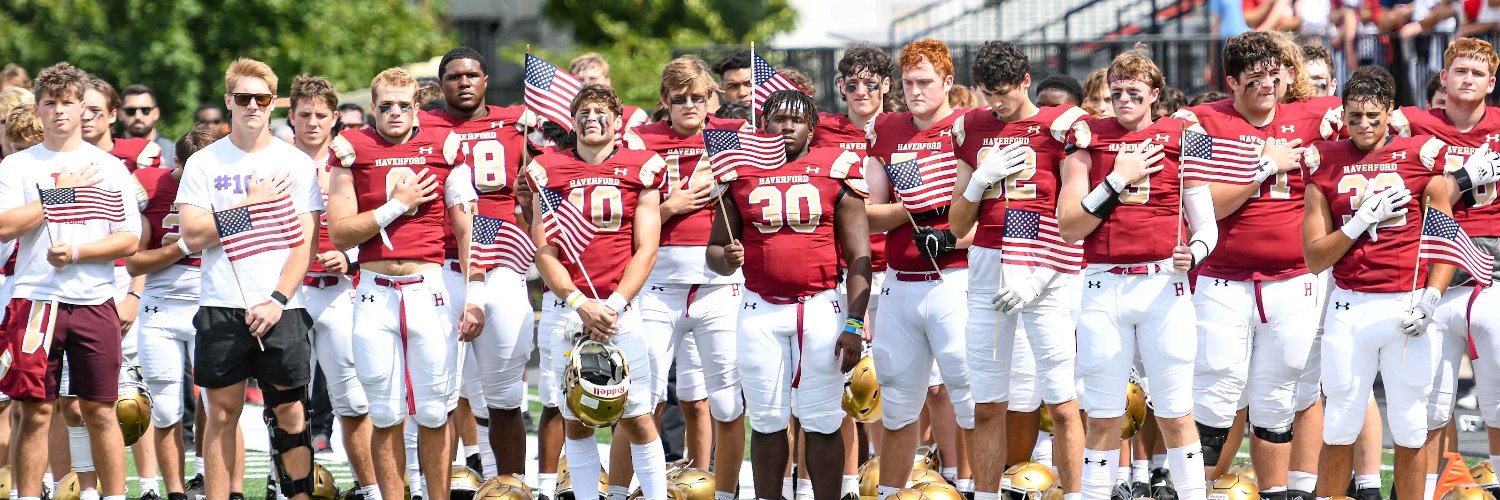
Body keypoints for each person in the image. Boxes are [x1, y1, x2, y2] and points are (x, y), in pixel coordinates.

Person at [1173, 31, 1337, 494]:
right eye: (1254, 77)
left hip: (1294, 280)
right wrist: (1261, 168)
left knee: (1277, 398)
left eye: (1272, 74)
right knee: (1214, 392)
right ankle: (1193, 490)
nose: (1266, 85)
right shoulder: (1202, 123)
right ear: (1231, 82)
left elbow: (1385, 120)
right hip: (1224, 280)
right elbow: (1204, 206)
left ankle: (1276, 492)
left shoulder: (1315, 114)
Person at [1056, 47, 1216, 500]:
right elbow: (1069, 227)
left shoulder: (1181, 136)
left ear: (1155, 94)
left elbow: (1207, 227)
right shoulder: (1088, 138)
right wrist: (1115, 180)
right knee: (1103, 413)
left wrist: (1194, 253)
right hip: (1103, 284)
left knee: (1176, 410)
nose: (1123, 100)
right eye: (1116, 92)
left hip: (1163, 284)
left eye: (1133, 92)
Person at [706, 88, 870, 500]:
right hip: (759, 308)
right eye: (778, 118)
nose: (787, 126)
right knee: (766, 421)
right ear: (764, 124)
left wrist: (854, 323)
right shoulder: (739, 171)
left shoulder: (836, 167)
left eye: (796, 120)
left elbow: (859, 257)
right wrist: (728, 257)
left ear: (812, 127)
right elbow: (714, 253)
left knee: (823, 421)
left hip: (820, 307)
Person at [1302, 68, 1458, 500]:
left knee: (1410, 425)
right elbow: (1315, 258)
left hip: (1408, 305)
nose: (1364, 125)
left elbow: (1446, 241)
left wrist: (1430, 299)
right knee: (1340, 424)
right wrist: (1359, 222)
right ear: (1342, 115)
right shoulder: (1324, 160)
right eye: (1354, 117)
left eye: (1373, 116)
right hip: (1350, 307)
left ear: (1390, 111)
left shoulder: (1420, 155)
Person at [173, 58, 322, 500]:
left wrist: (277, 299)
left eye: (261, 98)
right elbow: (193, 236)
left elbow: (304, 244)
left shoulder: (295, 162)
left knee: (291, 413)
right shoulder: (204, 162)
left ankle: (298, 495)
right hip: (222, 303)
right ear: (228, 101)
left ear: (274, 102)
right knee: (221, 414)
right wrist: (249, 206)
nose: (252, 106)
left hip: (283, 306)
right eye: (243, 98)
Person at [948, 40, 1090, 500]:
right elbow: (957, 225)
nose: (996, 103)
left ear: (1026, 81)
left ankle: (1074, 495)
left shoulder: (1062, 125)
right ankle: (987, 495)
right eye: (988, 93)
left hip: (1046, 266)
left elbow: (1074, 219)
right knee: (987, 404)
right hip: (988, 264)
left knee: (1063, 403)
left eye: (1004, 92)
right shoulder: (971, 127)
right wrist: (979, 180)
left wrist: (1041, 275)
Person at [326, 67, 474, 500]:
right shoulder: (351, 148)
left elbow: (467, 229)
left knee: (433, 411)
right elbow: (340, 233)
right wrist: (395, 206)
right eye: (386, 105)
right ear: (373, 107)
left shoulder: (444, 145)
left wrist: (475, 294)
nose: (395, 112)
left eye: (403, 105)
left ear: (416, 106)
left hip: (429, 288)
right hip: (375, 292)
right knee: (386, 413)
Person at [0, 60, 140, 500]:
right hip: (35, 301)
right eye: (49, 103)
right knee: (35, 412)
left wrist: (78, 252)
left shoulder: (110, 167)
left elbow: (129, 239)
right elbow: (4, 226)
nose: (59, 110)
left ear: (83, 107)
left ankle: (114, 497)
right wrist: (60, 195)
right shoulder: (17, 165)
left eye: (67, 102)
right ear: (37, 110)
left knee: (101, 410)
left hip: (95, 299)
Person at [527, 82, 670, 500]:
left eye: (600, 112)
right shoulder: (547, 170)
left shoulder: (642, 167)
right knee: (576, 418)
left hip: (620, 308)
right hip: (567, 308)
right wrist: (579, 303)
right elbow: (544, 251)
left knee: (638, 415)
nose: (591, 119)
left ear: (618, 122)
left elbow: (647, 249)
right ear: (572, 122)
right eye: (583, 113)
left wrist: (614, 305)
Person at [622, 56, 746, 500]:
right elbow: (624, 218)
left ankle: (725, 492)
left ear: (711, 96)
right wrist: (669, 207)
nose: (690, 105)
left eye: (698, 96)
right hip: (658, 283)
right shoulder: (640, 140)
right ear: (664, 100)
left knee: (725, 401)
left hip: (720, 285)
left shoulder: (734, 134)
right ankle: (626, 491)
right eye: (680, 99)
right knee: (641, 398)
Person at [859, 38, 976, 500]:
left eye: (924, 81)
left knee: (968, 396)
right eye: (908, 82)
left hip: (956, 277)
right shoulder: (886, 129)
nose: (915, 91)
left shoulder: (969, 128)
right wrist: (913, 209)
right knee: (897, 403)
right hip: (901, 281)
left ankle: (976, 488)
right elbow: (869, 212)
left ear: (948, 81)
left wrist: (951, 238)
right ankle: (891, 492)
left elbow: (992, 214)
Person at [1388, 37, 1500, 500]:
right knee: (1429, 403)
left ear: (1491, 83)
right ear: (1443, 78)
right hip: (1432, 271)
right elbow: (1356, 124)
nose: (1468, 79)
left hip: (1491, 271)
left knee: (1497, 398)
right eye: (1460, 71)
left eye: (1478, 73)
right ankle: (1426, 491)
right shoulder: (1412, 123)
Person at [422, 46, 534, 482]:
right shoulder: (421, 126)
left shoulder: (517, 124)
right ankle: (432, 486)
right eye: (454, 76)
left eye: (472, 75)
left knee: (504, 398)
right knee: (436, 398)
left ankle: (511, 486)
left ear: (486, 80)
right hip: (442, 264)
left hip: (501, 265)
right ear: (442, 84)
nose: (464, 82)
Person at [283, 74, 379, 499]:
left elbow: (376, 221)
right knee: (284, 400)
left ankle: (371, 488)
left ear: (335, 117)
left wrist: (351, 257)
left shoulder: (352, 160)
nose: (312, 122)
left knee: (353, 400)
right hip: (287, 291)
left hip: (338, 288)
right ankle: (286, 485)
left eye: (321, 115)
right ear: (291, 116)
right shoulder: (274, 160)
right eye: (304, 114)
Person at [812, 42, 891, 498]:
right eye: (852, 83)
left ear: (886, 86)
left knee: (889, 381)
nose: (861, 91)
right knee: (840, 383)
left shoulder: (900, 129)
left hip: (891, 267)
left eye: (871, 83)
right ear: (840, 86)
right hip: (839, 270)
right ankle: (845, 483)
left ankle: (887, 476)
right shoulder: (822, 129)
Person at [126, 124, 216, 500]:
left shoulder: (228, 183)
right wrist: (181, 247)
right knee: (163, 408)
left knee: (218, 401)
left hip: (212, 301)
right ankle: (175, 492)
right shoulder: (148, 184)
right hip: (161, 305)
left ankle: (213, 480)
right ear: (175, 162)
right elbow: (134, 260)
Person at [568, 53, 649, 141]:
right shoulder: (563, 118)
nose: (586, 84)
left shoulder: (632, 116)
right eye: (580, 79)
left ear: (607, 81)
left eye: (592, 78)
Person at [120, 84, 178, 168]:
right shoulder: (108, 153)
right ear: (119, 114)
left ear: (156, 113)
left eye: (145, 110)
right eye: (130, 111)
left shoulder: (174, 153)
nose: (138, 116)